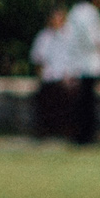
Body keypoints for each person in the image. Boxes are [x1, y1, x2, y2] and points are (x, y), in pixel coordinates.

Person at [65, 0, 100, 145]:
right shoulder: (90, 12)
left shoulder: (75, 11)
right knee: (87, 104)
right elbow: (93, 39)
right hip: (88, 64)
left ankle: (80, 135)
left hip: (77, 63)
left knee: (81, 103)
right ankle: (86, 136)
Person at [28, 7, 74, 140]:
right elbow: (38, 59)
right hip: (49, 77)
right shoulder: (43, 37)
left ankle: (65, 130)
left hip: (65, 77)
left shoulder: (69, 36)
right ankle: (45, 131)